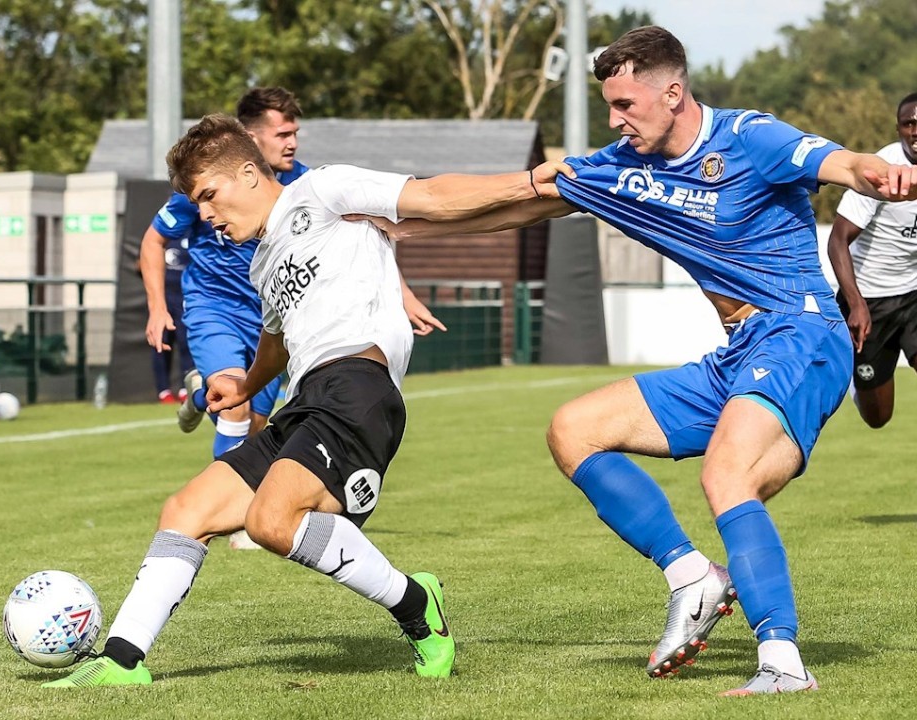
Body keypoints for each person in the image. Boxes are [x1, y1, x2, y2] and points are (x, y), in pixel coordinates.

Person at [350, 26, 917, 696]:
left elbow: (842, 163)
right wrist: (400, 225)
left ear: (672, 93)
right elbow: (519, 206)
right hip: (739, 353)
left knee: (727, 475)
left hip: (801, 333)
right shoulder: (623, 167)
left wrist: (879, 172)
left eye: (626, 104)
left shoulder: (749, 137)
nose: (616, 120)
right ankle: (692, 578)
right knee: (574, 430)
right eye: (610, 106)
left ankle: (783, 662)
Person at [42, 112, 554, 688]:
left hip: (358, 386)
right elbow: (277, 342)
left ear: (247, 173)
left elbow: (433, 196)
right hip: (307, 399)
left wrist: (532, 181)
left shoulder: (325, 189)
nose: (205, 214)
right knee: (186, 511)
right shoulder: (263, 260)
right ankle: (121, 662)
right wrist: (244, 386)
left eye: (208, 195)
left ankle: (416, 605)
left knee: (271, 521)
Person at [142, 87, 443, 463]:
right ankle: (228, 497)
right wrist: (157, 307)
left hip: (271, 317)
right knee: (236, 408)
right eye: (283, 134)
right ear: (252, 138)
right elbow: (153, 240)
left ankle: (200, 397)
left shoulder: (306, 184)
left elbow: (360, 238)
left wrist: (405, 296)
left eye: (295, 133)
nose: (293, 143)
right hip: (215, 307)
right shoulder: (207, 187)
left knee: (255, 427)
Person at [827, 92, 917, 429]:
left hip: (913, 294)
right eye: (909, 124)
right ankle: (855, 376)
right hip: (870, 301)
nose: (916, 130)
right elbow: (837, 241)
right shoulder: (881, 171)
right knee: (878, 417)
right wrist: (856, 304)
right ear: (899, 129)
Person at [144, 235, 194, 403]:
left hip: (186, 299)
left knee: (186, 342)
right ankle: (163, 390)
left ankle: (186, 387)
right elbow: (144, 260)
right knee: (161, 344)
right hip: (163, 301)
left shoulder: (193, 234)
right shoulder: (160, 236)